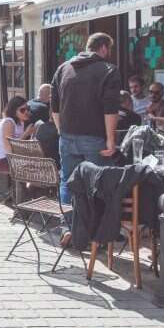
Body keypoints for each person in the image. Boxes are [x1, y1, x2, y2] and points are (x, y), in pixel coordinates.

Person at [50, 33, 121, 206]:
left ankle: (68, 227)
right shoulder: (109, 70)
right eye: (109, 49)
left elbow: (55, 106)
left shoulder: (63, 68)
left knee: (68, 182)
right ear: (103, 48)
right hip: (94, 138)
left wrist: (61, 131)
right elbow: (110, 108)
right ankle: (94, 230)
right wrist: (111, 140)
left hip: (67, 136)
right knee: (97, 184)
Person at [0, 96, 36, 174]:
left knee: (39, 162)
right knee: (36, 167)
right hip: (3, 160)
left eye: (27, 109)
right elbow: (9, 149)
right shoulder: (9, 122)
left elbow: (18, 144)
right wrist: (26, 134)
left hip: (11, 158)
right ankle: (26, 185)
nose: (26, 112)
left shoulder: (20, 122)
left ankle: (27, 185)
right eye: (22, 110)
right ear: (14, 111)